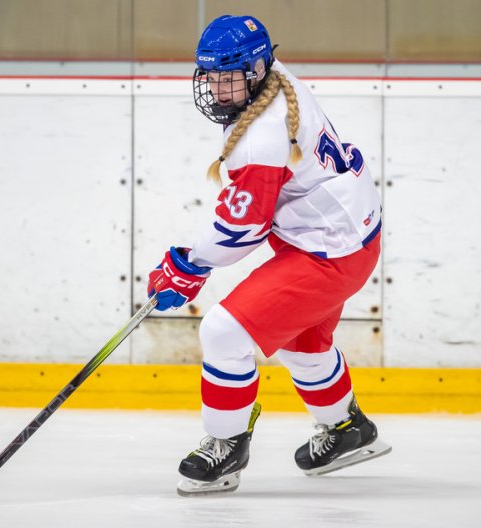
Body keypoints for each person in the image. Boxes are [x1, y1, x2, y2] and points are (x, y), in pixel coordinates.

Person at [147, 15, 391, 496]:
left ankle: (225, 446)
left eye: (228, 76)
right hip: (344, 237)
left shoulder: (262, 135)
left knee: (222, 333)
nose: (217, 88)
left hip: (329, 251)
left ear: (257, 69)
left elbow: (243, 228)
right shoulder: (278, 83)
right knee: (301, 342)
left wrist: (188, 263)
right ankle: (347, 431)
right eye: (211, 76)